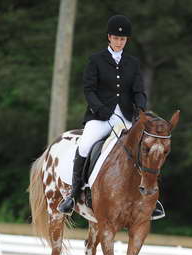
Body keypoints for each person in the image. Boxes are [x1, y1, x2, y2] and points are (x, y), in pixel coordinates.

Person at [58, 14, 165, 220]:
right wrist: (100, 109)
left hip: (125, 116)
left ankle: (152, 199)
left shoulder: (132, 63)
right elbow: (89, 90)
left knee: (148, 148)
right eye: (116, 38)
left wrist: (141, 111)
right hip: (100, 116)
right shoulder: (96, 60)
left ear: (127, 41)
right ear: (109, 37)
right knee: (85, 145)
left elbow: (139, 90)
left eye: (122, 39)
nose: (119, 42)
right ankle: (73, 194)